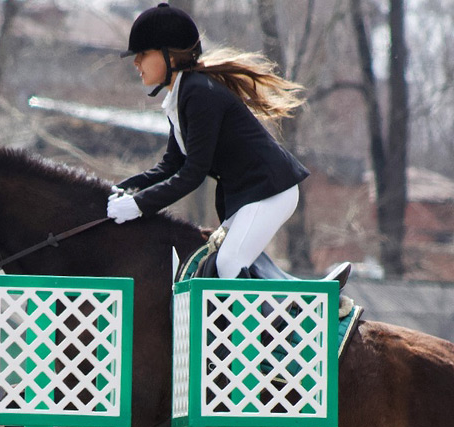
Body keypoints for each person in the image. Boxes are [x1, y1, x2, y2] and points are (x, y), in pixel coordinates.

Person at [108, 3, 309, 279]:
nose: (135, 62)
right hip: (250, 194)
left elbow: (193, 174)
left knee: (228, 265)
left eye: (142, 54)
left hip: (270, 191)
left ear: (170, 56)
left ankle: (296, 309)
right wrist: (122, 189)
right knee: (219, 265)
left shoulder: (199, 93)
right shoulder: (181, 95)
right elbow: (171, 165)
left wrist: (138, 205)